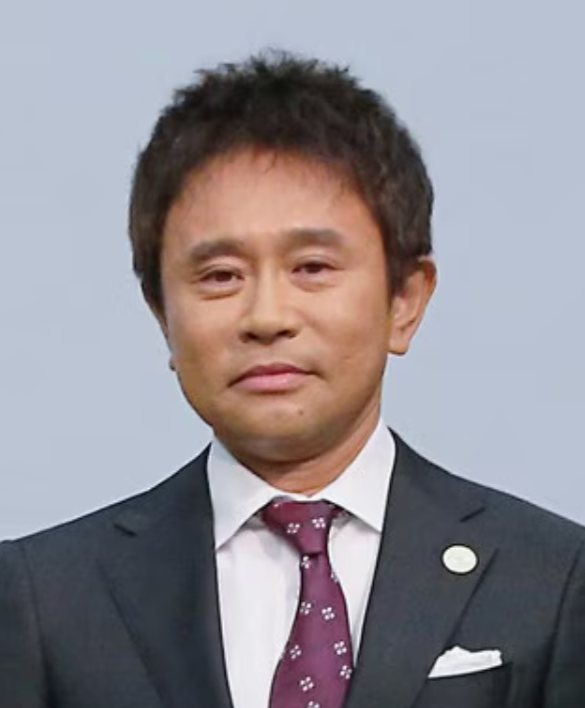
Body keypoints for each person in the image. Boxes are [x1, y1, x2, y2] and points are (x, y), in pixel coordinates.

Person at [0, 51, 584, 708]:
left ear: (404, 300)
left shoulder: (555, 578)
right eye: (220, 276)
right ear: (162, 315)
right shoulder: (45, 599)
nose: (267, 317)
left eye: (311, 268)